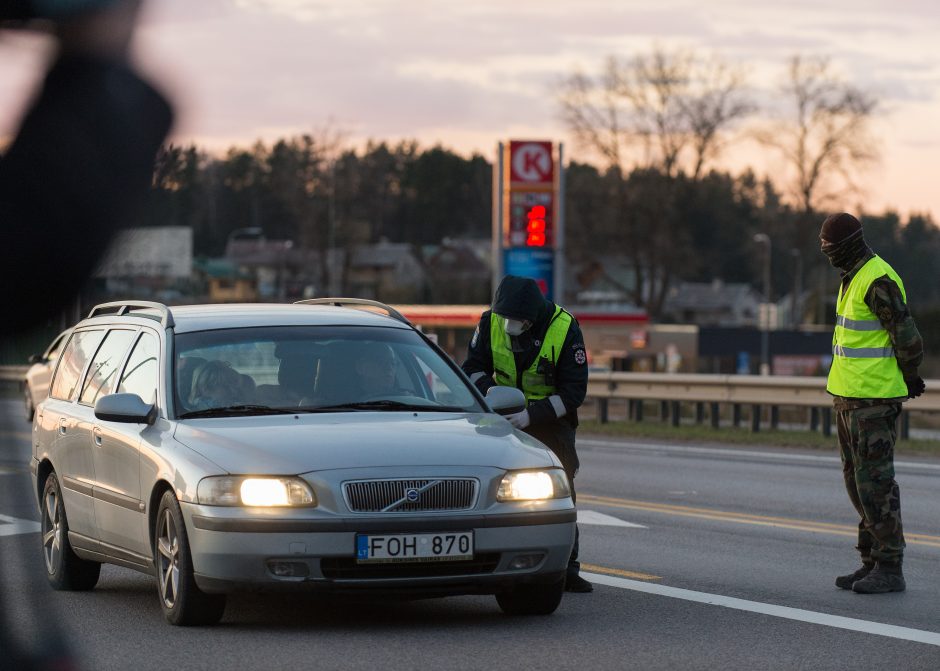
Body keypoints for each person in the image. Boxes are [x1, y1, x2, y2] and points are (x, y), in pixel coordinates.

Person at [462, 275, 591, 592]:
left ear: (532, 319)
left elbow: (573, 392)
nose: (508, 326)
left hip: (550, 420)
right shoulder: (490, 321)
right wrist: (491, 393)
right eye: (504, 318)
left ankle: (567, 567)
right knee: (495, 486)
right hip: (500, 417)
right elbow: (472, 368)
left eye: (516, 321)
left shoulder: (564, 329)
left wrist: (531, 415)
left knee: (561, 487)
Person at [820, 213, 925, 594]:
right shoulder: (852, 277)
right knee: (858, 483)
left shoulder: (877, 278)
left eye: (829, 247)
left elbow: (907, 337)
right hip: (849, 399)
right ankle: (870, 561)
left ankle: (890, 567)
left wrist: (910, 376)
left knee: (876, 483)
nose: (827, 254)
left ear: (846, 245)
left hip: (874, 402)